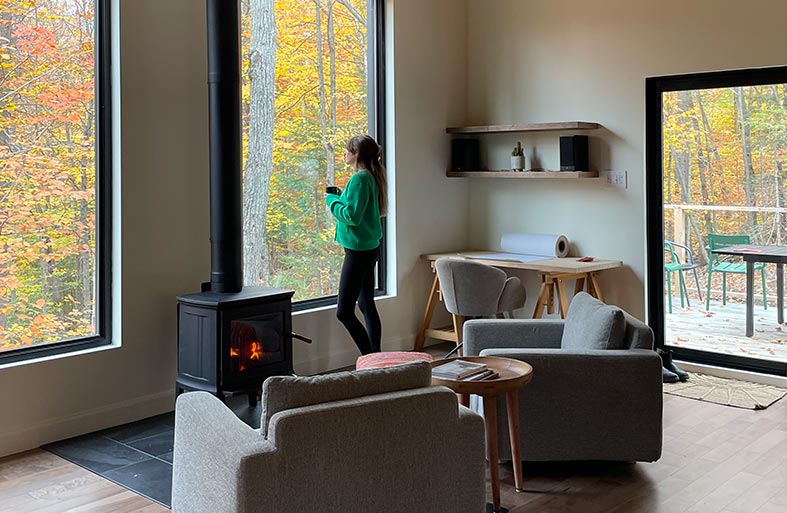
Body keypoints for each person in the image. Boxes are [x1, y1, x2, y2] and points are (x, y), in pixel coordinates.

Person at [325, 135, 387, 355]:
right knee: (366, 304)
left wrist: (331, 201)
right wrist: (342, 196)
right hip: (369, 248)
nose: (345, 153)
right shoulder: (371, 176)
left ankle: (370, 358)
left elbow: (352, 216)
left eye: (348, 150)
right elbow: (359, 207)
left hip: (358, 251)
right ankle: (376, 357)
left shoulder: (359, 179)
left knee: (344, 312)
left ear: (357, 154)